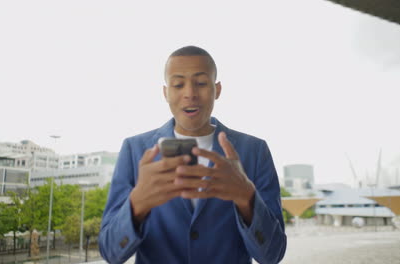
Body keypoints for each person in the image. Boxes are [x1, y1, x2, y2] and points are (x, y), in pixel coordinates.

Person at [99, 46, 287, 264]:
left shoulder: (255, 151)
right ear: (165, 92)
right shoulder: (135, 150)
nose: (190, 93)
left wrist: (247, 198)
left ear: (217, 90)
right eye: (178, 84)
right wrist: (136, 205)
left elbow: (273, 255)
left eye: (201, 83)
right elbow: (110, 252)